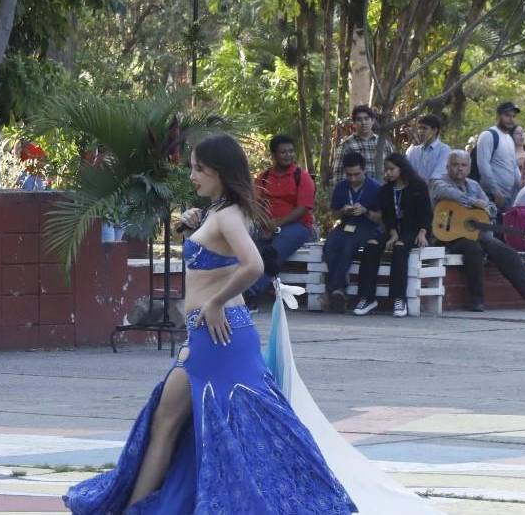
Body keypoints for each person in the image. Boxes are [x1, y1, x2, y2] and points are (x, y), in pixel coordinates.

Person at [63, 133, 357, 514]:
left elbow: (254, 265)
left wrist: (216, 303)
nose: (193, 176)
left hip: (220, 334)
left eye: (199, 169)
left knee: (208, 425)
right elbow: (220, 253)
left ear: (219, 172)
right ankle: (137, 507)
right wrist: (196, 222)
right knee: (168, 423)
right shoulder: (220, 213)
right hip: (209, 335)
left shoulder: (231, 216)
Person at [431, 151, 525, 312]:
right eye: (455, 164)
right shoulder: (438, 181)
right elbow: (445, 192)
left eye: (463, 165)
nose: (459, 168)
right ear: (447, 166)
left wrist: (488, 209)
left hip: (477, 234)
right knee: (473, 249)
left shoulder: (474, 185)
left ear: (469, 167)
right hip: (447, 236)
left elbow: (491, 207)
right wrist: (474, 202)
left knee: (507, 253)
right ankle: (477, 300)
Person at [354, 153, 431, 317]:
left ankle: (399, 298)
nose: (387, 173)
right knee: (372, 245)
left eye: (391, 169)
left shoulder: (418, 186)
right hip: (394, 230)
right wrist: (393, 233)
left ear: (401, 168)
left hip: (414, 230)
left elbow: (426, 213)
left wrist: (423, 232)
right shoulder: (385, 190)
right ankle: (367, 297)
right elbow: (388, 217)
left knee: (400, 247)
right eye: (386, 169)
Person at [245, 134, 316, 312]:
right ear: (274, 155)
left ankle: (250, 296)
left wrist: (276, 225)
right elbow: (255, 203)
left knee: (272, 253)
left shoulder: (302, 176)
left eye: (291, 151)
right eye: (283, 152)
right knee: (250, 252)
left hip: (298, 226)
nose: (288, 155)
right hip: (266, 225)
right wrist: (265, 223)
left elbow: (303, 208)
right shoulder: (264, 177)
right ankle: (239, 293)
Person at [323, 152, 382, 314]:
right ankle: (339, 289)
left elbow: (382, 218)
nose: (353, 179)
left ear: (364, 170)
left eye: (357, 174)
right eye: (349, 175)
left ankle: (334, 290)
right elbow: (334, 214)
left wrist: (366, 211)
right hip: (346, 224)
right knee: (329, 245)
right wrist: (343, 211)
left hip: (367, 226)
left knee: (349, 245)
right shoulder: (341, 187)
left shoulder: (375, 188)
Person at [476, 101, 523, 211]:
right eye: (507, 115)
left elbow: (514, 166)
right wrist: (495, 191)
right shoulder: (488, 135)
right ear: (498, 116)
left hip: (507, 197)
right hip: (490, 196)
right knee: (490, 227)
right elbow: (483, 165)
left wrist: (523, 186)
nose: (511, 119)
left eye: (513, 116)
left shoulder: (509, 139)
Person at [332, 105, 382, 183]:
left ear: (373, 121)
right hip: (357, 193)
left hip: (382, 192)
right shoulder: (347, 145)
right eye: (359, 119)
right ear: (354, 123)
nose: (363, 122)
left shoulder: (382, 143)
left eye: (366, 118)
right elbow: (338, 177)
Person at [406, 114, 451, 182]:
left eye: (424, 128)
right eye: (419, 128)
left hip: (434, 190)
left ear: (434, 130)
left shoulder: (444, 150)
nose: (420, 131)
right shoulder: (413, 151)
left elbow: (439, 175)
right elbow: (406, 172)